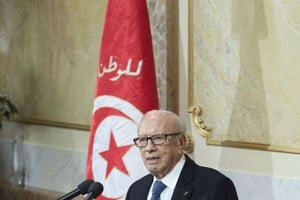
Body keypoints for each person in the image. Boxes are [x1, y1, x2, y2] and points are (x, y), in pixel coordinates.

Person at [125, 110, 238, 200]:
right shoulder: (136, 191)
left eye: (158, 138)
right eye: (143, 140)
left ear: (180, 142)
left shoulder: (215, 186)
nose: (149, 148)